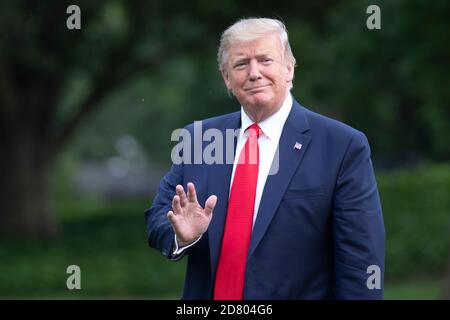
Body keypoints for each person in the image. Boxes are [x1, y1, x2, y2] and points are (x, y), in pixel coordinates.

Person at [145, 17, 385, 300]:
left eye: (265, 60)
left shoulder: (342, 146)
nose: (254, 73)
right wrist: (182, 237)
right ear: (226, 78)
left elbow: (360, 261)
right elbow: (159, 217)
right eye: (241, 64)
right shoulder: (198, 139)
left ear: (289, 69)